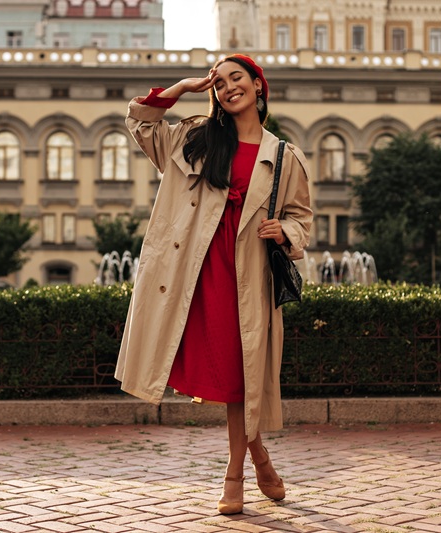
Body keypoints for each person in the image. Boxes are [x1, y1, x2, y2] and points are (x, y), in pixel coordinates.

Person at [114, 54, 313, 514]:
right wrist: (181, 88)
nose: (226, 88)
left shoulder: (284, 156)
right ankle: (258, 457)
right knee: (230, 377)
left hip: (248, 276)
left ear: (258, 86)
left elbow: (302, 218)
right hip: (194, 272)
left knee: (243, 378)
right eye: (218, 83)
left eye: (236, 79)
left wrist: (285, 231)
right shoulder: (194, 137)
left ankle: (235, 473)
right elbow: (140, 125)